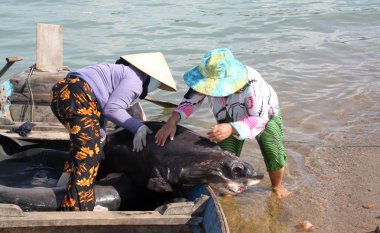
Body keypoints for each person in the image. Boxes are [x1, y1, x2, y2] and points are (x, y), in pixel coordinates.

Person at [155, 48, 290, 199]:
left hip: (264, 115)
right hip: (227, 114)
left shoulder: (252, 84)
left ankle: (277, 186)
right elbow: (190, 102)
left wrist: (232, 128)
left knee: (272, 151)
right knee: (226, 156)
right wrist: (172, 120)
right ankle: (229, 188)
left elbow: (259, 118)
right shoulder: (204, 79)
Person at [50, 52, 176, 211]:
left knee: (85, 148)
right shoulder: (136, 80)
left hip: (64, 93)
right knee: (88, 155)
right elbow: (112, 109)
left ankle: (60, 187)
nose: (153, 89)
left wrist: (101, 135)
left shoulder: (121, 71)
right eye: (157, 84)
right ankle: (77, 209)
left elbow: (101, 109)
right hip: (78, 94)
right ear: (149, 76)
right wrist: (138, 127)